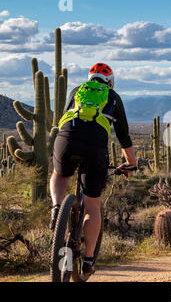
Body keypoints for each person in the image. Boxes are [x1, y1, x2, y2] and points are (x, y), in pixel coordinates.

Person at [49, 63, 136, 276]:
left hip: (66, 139)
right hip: (94, 146)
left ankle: (57, 208)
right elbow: (123, 137)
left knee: (60, 174)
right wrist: (131, 163)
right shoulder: (113, 97)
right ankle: (88, 260)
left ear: (90, 78)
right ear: (110, 82)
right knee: (92, 205)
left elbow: (64, 118)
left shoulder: (75, 91)